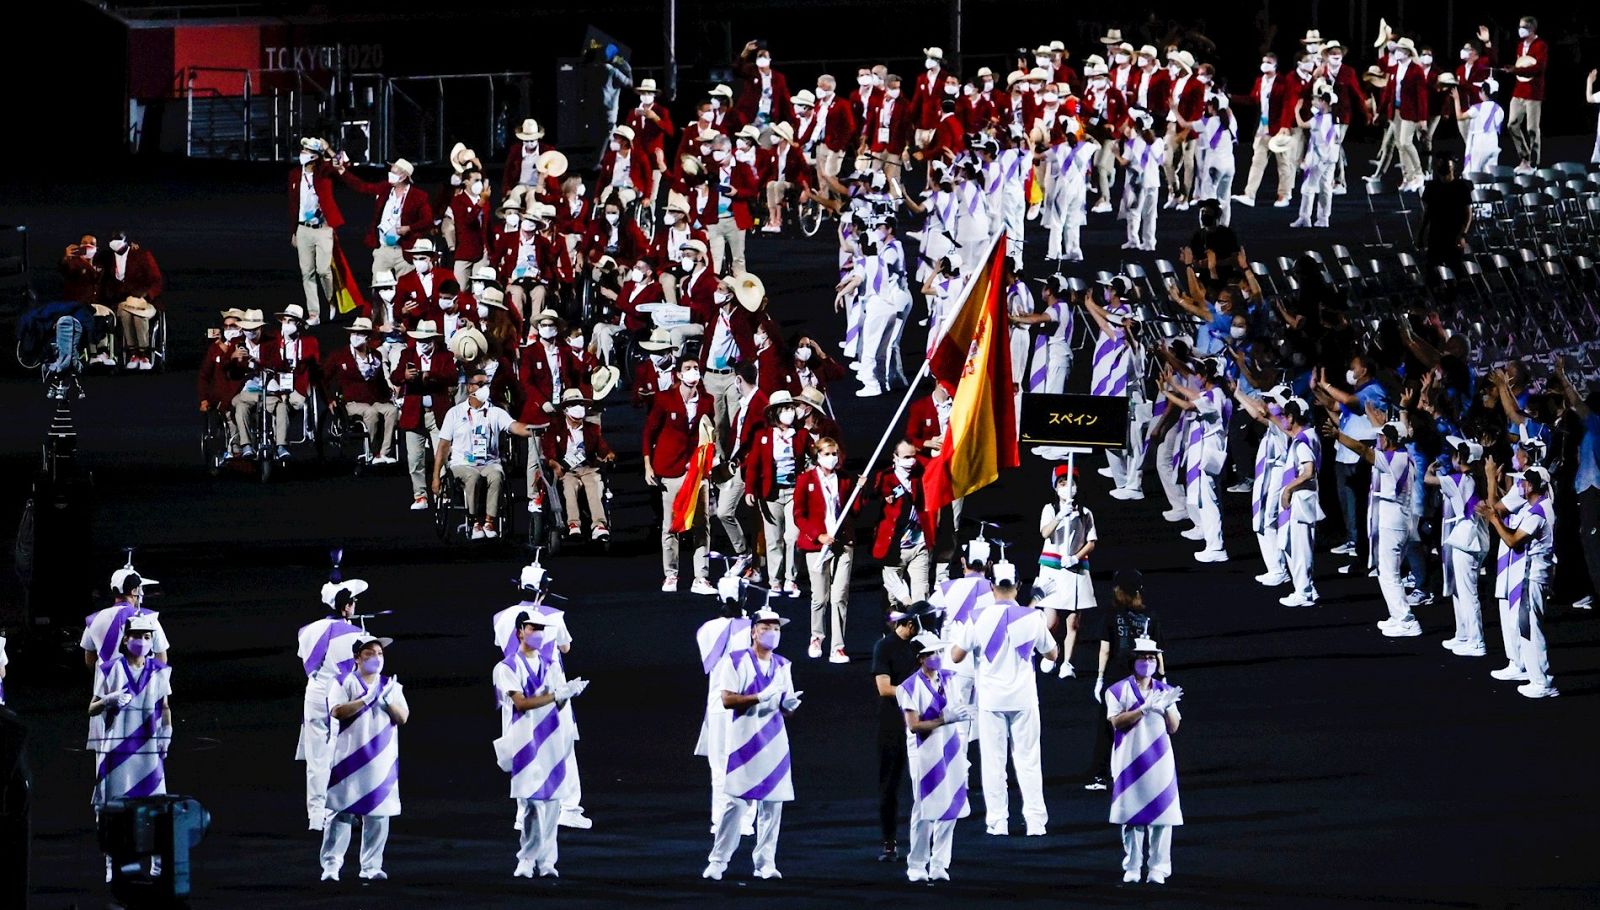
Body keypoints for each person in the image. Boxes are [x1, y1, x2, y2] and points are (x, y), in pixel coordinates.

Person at [949, 562, 1055, 836]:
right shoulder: (1032, 617)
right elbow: (1053, 654)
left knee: (993, 763)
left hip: (991, 701)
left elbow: (956, 656)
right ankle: (1035, 822)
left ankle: (998, 822)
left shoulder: (977, 618)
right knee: (1029, 761)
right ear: (1018, 586)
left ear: (991, 586)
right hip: (1023, 699)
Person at [703, 608, 802, 881]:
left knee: (773, 806)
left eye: (777, 628)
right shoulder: (735, 661)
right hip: (744, 742)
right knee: (735, 804)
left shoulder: (783, 665)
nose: (772, 633)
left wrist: (789, 705)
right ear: (753, 631)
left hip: (775, 742)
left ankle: (765, 863)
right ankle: (718, 860)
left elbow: (785, 708)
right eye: (766, 627)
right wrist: (759, 696)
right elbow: (727, 699)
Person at [493, 611, 589, 878]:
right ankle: (526, 858)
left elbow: (559, 703)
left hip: (552, 740)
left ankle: (547, 862)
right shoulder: (506, 667)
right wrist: (557, 694)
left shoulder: (551, 665)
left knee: (553, 804)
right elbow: (521, 703)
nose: (538, 633)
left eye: (541, 629)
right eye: (532, 628)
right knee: (533, 804)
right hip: (525, 742)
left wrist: (568, 694)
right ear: (519, 632)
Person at [89, 615, 172, 880]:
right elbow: (91, 708)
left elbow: (165, 707)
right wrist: (108, 700)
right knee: (113, 810)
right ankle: (112, 865)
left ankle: (158, 865)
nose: (142, 641)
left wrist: (167, 733)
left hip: (148, 749)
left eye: (147, 637)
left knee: (156, 808)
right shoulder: (109, 669)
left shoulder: (159, 671)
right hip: (116, 749)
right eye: (137, 636)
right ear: (125, 639)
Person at [320, 636, 409, 882]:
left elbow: (403, 718)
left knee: (378, 815)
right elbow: (337, 711)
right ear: (357, 658)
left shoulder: (391, 685)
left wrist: (388, 701)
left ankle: (371, 867)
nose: (376, 658)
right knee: (340, 813)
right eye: (369, 653)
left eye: (380, 653)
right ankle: (331, 866)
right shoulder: (342, 681)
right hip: (348, 758)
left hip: (381, 758)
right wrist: (366, 699)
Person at [1330, 420, 1421, 636]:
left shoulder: (1392, 459)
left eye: (1381, 437)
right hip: (1398, 519)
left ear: (1388, 440)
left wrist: (1339, 435)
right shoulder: (1406, 456)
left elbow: (1362, 450)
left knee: (1389, 573)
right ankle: (1396, 615)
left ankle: (1406, 620)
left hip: (1393, 522)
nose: (1377, 440)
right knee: (1388, 571)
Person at [1106, 637, 1184, 884]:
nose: (1148, 662)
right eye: (1143, 657)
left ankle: (1159, 867)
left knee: (1162, 814)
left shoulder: (1165, 691)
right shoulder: (1117, 690)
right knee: (1132, 814)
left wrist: (1167, 707)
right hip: (1129, 758)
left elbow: (1174, 727)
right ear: (1133, 660)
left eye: (1152, 657)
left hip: (1160, 759)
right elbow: (1116, 722)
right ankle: (1132, 865)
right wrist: (1143, 709)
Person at [897, 631, 973, 882]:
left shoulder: (951, 678)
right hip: (923, 751)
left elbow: (959, 709)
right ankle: (917, 864)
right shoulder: (909, 687)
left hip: (950, 747)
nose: (938, 656)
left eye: (940, 652)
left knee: (951, 804)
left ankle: (940, 863)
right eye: (932, 653)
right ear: (921, 658)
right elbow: (914, 726)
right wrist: (943, 719)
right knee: (925, 808)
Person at [1478, 463, 1559, 698]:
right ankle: (1536, 678)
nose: (1519, 486)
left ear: (1531, 486)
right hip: (1531, 574)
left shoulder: (1538, 512)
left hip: (1533, 575)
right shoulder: (1539, 507)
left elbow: (1513, 541)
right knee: (1526, 627)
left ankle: (1543, 682)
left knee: (1532, 628)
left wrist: (1494, 520)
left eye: (1523, 482)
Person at [296, 575, 368, 831]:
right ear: (346, 606)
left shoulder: (307, 630)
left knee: (316, 758)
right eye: (354, 602)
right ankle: (337, 810)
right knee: (343, 754)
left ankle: (316, 816)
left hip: (314, 695)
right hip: (339, 696)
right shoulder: (356, 634)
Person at [1083, 570, 1165, 792]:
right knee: (1145, 725)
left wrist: (1099, 678)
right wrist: (1162, 676)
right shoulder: (1150, 615)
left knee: (1108, 726)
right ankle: (1146, 772)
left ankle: (1100, 775)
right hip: (1144, 677)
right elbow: (1158, 650)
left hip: (1116, 676)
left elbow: (1105, 649)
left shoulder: (1111, 614)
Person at [433, 369, 539, 540]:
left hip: (489, 462)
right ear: (470, 387)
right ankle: (474, 521)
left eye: (487, 384)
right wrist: (436, 477)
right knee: (472, 477)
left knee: (496, 475)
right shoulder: (454, 413)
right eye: (480, 384)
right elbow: (443, 446)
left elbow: (515, 426)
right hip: (462, 464)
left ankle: (489, 522)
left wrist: (533, 430)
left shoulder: (495, 412)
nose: (485, 388)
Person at [645, 354, 718, 594]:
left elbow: (710, 433)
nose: (693, 372)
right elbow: (649, 433)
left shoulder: (707, 400)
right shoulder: (664, 399)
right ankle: (671, 575)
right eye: (688, 368)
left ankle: (701, 577)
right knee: (671, 525)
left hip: (697, 472)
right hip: (671, 470)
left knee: (701, 524)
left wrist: (708, 466)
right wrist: (648, 465)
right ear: (678, 374)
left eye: (696, 367)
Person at [695, 582, 755, 832]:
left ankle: (721, 819)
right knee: (746, 763)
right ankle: (744, 820)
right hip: (742, 704)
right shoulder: (750, 628)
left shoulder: (707, 628)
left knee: (719, 766)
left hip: (718, 705)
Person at [794, 437, 858, 663]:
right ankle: (816, 637)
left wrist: (859, 490)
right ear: (818, 455)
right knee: (820, 597)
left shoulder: (845, 479)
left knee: (839, 596)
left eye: (835, 453)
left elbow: (854, 511)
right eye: (828, 454)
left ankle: (838, 647)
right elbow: (799, 515)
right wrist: (818, 535)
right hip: (817, 546)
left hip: (843, 544)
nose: (832, 458)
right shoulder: (805, 480)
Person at [1429, 436, 1489, 656]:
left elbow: (1428, 479)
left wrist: (1431, 469)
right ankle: (1463, 634)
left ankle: (1477, 641)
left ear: (1460, 458)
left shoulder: (1458, 479)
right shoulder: (1480, 478)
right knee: (1460, 590)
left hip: (1467, 541)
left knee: (1468, 593)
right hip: (1473, 539)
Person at [871, 609, 923, 862]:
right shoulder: (884, 646)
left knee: (925, 783)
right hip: (892, 723)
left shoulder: (921, 646)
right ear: (910, 624)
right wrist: (915, 694)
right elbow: (883, 688)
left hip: (921, 723)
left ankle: (924, 844)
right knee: (889, 784)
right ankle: (889, 843)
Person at [1035, 466, 1096, 678]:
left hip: (1075, 570)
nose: (1067, 487)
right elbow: (1045, 533)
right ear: (1055, 487)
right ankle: (1051, 653)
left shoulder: (1085, 512)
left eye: (1071, 483)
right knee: (1050, 622)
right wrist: (1060, 516)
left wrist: (1076, 557)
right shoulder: (1049, 509)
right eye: (1062, 483)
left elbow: (1091, 541)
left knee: (1073, 623)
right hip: (1052, 569)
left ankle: (1067, 663)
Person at [393, 321, 458, 510]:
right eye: (420, 340)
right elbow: (395, 377)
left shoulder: (444, 355)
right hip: (414, 414)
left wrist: (432, 375)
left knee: (442, 456)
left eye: (427, 340)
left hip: (437, 414)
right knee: (415, 458)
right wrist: (405, 376)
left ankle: (442, 493)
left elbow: (452, 377)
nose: (423, 343)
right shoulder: (408, 354)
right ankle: (420, 496)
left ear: (434, 340)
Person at [335, 156, 432, 279]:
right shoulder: (385, 188)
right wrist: (343, 172)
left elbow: (427, 221)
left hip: (403, 251)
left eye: (394, 173)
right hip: (383, 249)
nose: (390, 175)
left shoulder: (418, 196)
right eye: (391, 172)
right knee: (379, 284)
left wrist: (409, 228)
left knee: (406, 286)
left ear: (403, 176)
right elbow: (363, 187)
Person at [541, 389, 616, 539]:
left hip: (588, 468)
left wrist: (609, 455)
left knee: (595, 484)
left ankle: (599, 525)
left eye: (581, 404)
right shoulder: (555, 429)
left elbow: (603, 448)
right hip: (567, 471)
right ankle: (573, 524)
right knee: (569, 487)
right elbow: (548, 453)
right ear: (565, 409)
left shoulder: (592, 429)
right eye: (574, 404)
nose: (579, 408)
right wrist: (554, 464)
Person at [322, 317, 398, 464]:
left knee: (392, 411)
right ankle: (373, 453)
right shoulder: (339, 355)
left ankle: (384, 452)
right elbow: (324, 378)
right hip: (351, 402)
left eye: (360, 333)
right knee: (371, 412)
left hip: (373, 399)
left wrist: (389, 395)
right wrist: (329, 399)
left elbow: (380, 381)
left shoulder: (376, 356)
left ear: (367, 337)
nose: (355, 336)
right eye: (353, 333)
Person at [872, 441, 935, 609]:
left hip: (919, 544)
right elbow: (876, 495)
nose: (910, 461)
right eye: (906, 457)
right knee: (893, 599)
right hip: (895, 548)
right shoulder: (885, 477)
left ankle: (920, 623)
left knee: (921, 595)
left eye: (913, 457)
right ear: (895, 457)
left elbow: (933, 467)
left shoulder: (919, 474)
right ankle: (895, 625)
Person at [290, 137, 344, 322]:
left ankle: (330, 300)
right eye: (302, 149)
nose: (302, 153)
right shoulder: (295, 174)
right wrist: (294, 232)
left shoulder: (324, 172)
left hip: (323, 229)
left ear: (315, 156)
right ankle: (314, 313)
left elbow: (343, 164)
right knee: (307, 272)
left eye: (306, 151)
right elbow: (292, 205)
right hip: (303, 229)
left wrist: (328, 149)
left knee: (323, 270)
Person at [96, 229, 165, 370]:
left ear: (125, 241)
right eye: (112, 240)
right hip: (122, 302)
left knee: (138, 315)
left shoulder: (141, 256)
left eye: (118, 240)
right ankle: (133, 353)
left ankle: (143, 353)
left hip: (145, 301)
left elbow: (156, 280)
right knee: (126, 314)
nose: (114, 243)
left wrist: (145, 294)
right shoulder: (107, 258)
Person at [1416, 153, 1473, 280]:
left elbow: (1468, 214)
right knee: (1432, 271)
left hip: (1454, 234)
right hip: (1435, 234)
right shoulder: (1432, 187)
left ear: (1453, 167)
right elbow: (1427, 213)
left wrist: (1463, 234)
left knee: (1455, 269)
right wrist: (1420, 234)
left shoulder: (1461, 187)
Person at [1503, 16, 1548, 173]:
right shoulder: (1520, 45)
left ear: (1532, 29)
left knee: (1532, 129)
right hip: (1519, 91)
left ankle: (1534, 162)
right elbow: (1520, 65)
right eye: (1519, 26)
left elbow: (1538, 68)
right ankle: (1525, 157)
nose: (1520, 30)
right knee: (1512, 124)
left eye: (1523, 27)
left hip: (1533, 92)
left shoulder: (1541, 45)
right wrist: (1513, 69)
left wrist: (1516, 70)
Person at [1291, 85, 1340, 229]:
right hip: (1331, 158)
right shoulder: (1335, 118)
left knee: (1308, 187)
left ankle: (1304, 218)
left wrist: (1296, 110)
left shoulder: (1318, 120)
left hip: (1319, 158)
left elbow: (1301, 124)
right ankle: (1324, 219)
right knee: (1325, 188)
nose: (1317, 102)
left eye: (1320, 100)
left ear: (1325, 102)